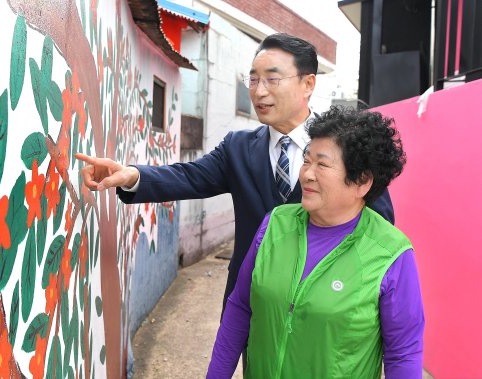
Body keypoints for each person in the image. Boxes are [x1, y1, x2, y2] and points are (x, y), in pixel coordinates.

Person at [75, 33, 394, 315]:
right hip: (252, 304)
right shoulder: (238, 147)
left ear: (308, 83)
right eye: (253, 80)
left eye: (272, 79)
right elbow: (189, 177)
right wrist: (131, 174)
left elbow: (379, 225)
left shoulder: (347, 145)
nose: (259, 91)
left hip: (326, 307)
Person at [206, 106, 424, 378]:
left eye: (322, 164)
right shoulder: (275, 224)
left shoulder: (391, 253)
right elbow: (240, 306)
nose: (307, 173)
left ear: (362, 181)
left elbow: (403, 352)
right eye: (307, 160)